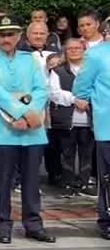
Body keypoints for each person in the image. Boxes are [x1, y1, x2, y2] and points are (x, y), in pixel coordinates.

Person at [0, 14, 55, 244]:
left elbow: (42, 89)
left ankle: (33, 224)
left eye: (11, 34)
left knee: (32, 181)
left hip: (33, 129)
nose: (6, 39)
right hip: (2, 130)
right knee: (3, 180)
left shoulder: (30, 60)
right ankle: (3, 223)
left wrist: (31, 114)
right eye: (1, 34)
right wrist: (21, 114)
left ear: (19, 36)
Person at [72, 38, 110, 240]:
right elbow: (81, 88)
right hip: (108, 125)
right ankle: (107, 220)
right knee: (108, 178)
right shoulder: (96, 54)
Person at [50, 37, 96, 196]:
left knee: (86, 154)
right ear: (65, 51)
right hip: (67, 120)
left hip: (89, 120)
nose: (74, 50)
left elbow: (100, 88)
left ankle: (84, 184)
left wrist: (87, 99)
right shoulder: (57, 71)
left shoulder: (92, 70)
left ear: (84, 50)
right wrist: (75, 100)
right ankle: (68, 184)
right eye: (70, 48)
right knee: (67, 153)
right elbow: (54, 93)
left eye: (78, 48)